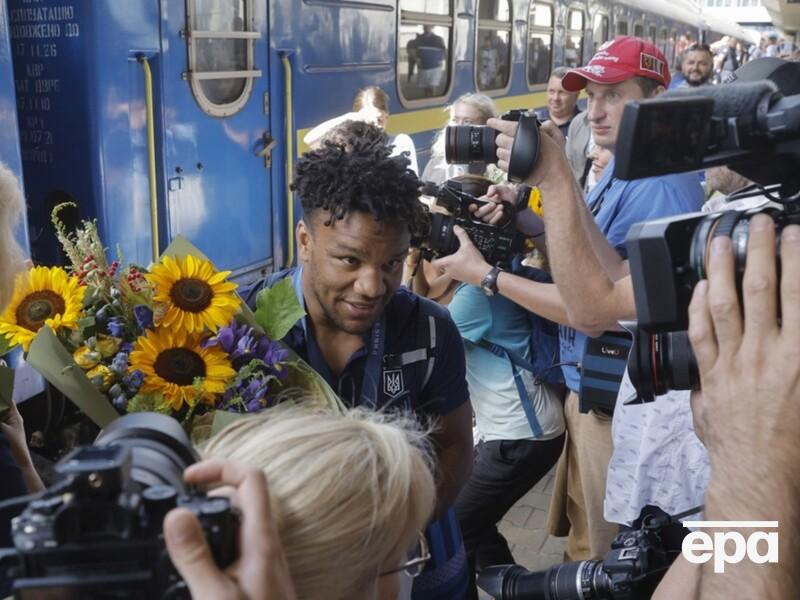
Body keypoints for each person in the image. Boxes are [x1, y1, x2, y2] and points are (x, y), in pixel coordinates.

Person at [431, 37, 704, 561]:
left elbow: (598, 308)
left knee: (606, 556)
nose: (594, 111)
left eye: (613, 96)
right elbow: (595, 258)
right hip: (594, 391)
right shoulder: (629, 167)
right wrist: (528, 217)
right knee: (584, 540)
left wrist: (485, 276)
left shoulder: (662, 186)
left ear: (654, 98)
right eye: (592, 94)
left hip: (617, 395)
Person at [246, 128, 473, 599]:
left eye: (392, 263)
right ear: (305, 240)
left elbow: (454, 446)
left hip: (419, 566)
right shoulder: (246, 328)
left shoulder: (430, 332)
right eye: (349, 260)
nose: (372, 286)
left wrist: (400, 530)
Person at [447, 179, 565, 599]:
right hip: (523, 429)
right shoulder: (504, 275)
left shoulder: (474, 299)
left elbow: (419, 333)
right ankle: (516, 588)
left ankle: (525, 591)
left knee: (454, 523)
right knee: (470, 522)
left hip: (521, 437)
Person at [303, 87, 419, 175]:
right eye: (368, 121)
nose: (376, 126)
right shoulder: (349, 146)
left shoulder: (400, 142)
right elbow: (310, 140)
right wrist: (348, 117)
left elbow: (412, 185)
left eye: (380, 119)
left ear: (387, 116)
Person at [421, 93, 504, 186]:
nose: (458, 127)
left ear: (486, 128)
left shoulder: (499, 166)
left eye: (467, 121)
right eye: (455, 120)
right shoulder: (436, 164)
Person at [536, 67, 582, 138]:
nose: (555, 98)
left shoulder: (585, 126)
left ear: (576, 95)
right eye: (551, 91)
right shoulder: (535, 122)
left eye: (562, 92)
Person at [409, 26, 446, 97]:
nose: (427, 28)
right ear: (423, 28)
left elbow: (444, 51)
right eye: (425, 27)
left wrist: (441, 59)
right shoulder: (419, 38)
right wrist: (416, 58)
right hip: (423, 67)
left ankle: (433, 102)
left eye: (429, 27)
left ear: (432, 28)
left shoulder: (438, 39)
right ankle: (427, 102)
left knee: (433, 87)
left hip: (435, 67)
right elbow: (411, 50)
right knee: (425, 87)